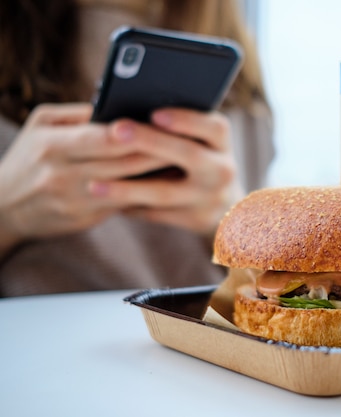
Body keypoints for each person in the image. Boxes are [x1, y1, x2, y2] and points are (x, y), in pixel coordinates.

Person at [0, 0, 274, 297]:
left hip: (196, 332)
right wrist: (7, 215)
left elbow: (267, 290)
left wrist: (233, 227)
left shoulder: (243, 91)